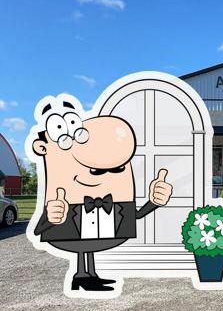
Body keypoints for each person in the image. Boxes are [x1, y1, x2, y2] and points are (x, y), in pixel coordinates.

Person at [30, 97, 173, 292]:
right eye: (96, 170)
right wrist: (51, 217)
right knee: (82, 245)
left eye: (118, 169)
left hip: (103, 227)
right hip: (72, 225)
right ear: (42, 148)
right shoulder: (62, 200)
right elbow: (40, 229)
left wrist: (155, 201)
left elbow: (136, 215)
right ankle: (81, 275)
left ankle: (88, 275)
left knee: (88, 246)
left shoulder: (117, 203)